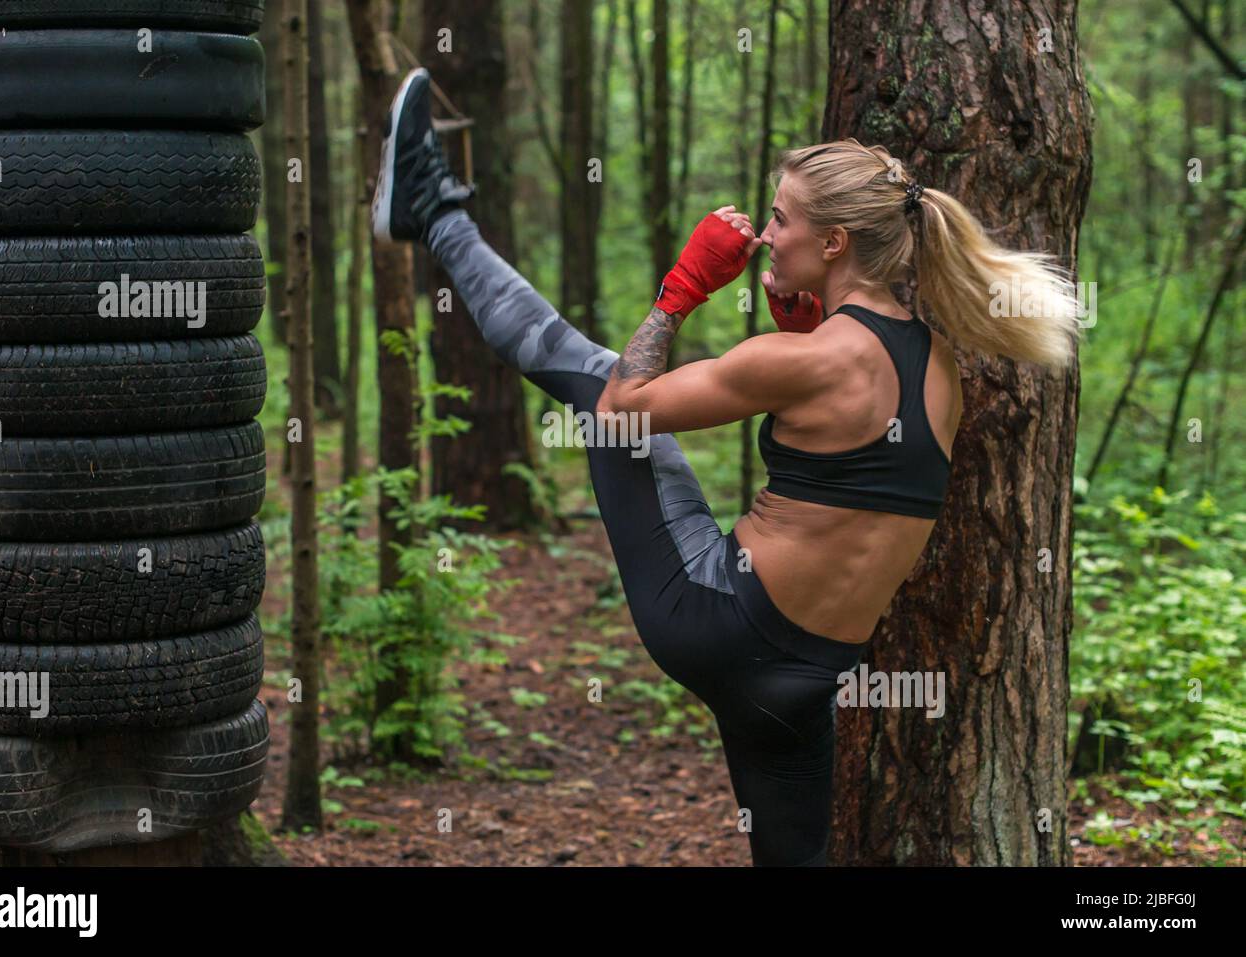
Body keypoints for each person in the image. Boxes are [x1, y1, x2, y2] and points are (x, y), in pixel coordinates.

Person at [371, 67, 1081, 866]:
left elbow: (619, 410)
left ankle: (431, 210)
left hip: (712, 619)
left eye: (780, 219)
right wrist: (806, 326)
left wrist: (683, 288)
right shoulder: (940, 366)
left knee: (591, 369)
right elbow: (850, 465)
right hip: (805, 682)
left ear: (834, 242)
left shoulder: (803, 361)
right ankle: (429, 208)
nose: (767, 235)